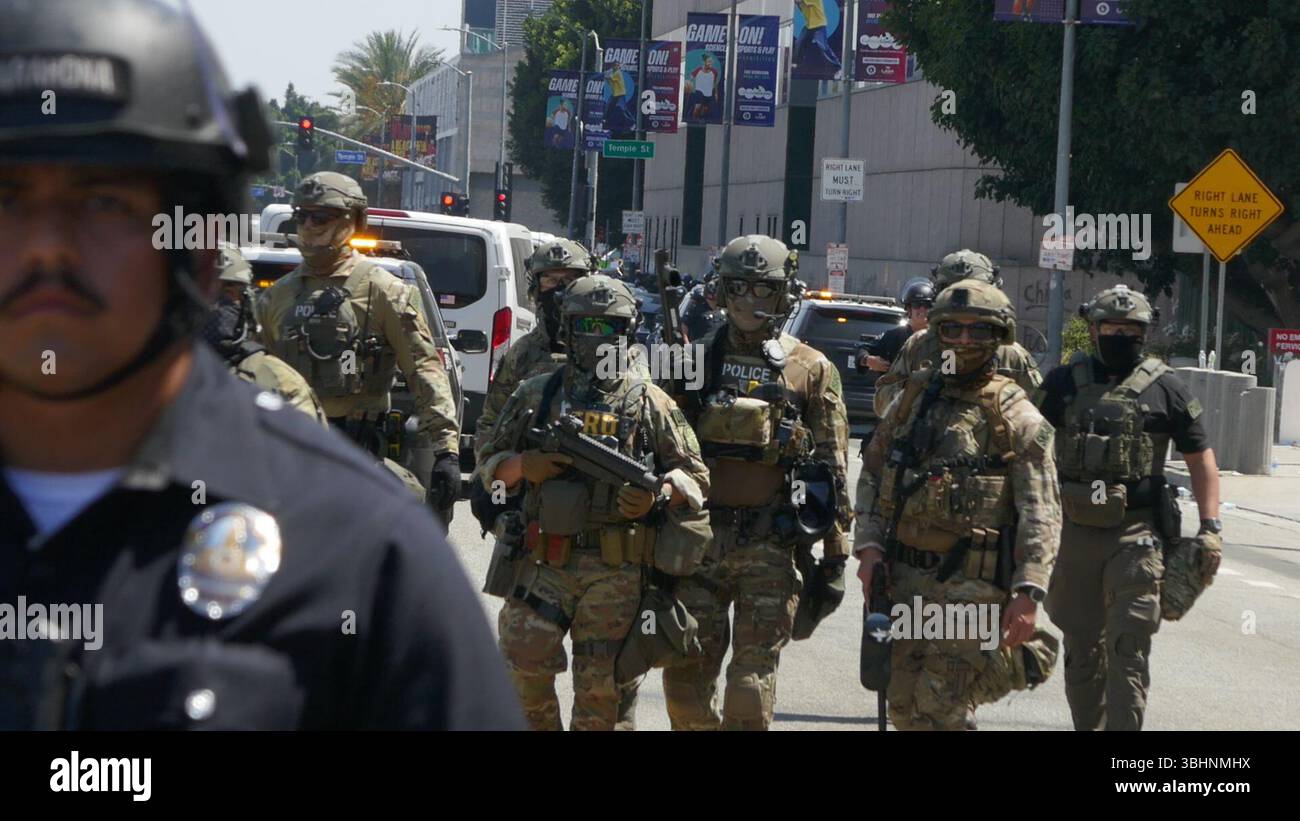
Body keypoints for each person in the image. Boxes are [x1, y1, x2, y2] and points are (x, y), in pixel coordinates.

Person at [0, 0, 522, 730]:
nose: (45, 248)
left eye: (104, 202)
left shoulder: (364, 554)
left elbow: (424, 368)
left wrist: (440, 445)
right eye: (7, 198)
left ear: (198, 241)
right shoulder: (283, 297)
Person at [477, 275, 711, 730]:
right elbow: (488, 465)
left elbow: (697, 478)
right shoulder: (538, 393)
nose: (599, 338)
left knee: (601, 696)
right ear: (566, 329)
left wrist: (656, 495)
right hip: (542, 562)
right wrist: (526, 464)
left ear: (628, 332)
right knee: (521, 674)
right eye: (587, 326)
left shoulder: (650, 402)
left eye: (611, 328)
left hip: (616, 572)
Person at [662, 235, 852, 730]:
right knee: (684, 689)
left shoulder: (811, 368)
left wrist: (835, 554)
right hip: (698, 542)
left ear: (784, 294)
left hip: (771, 546)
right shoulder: (690, 361)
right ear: (721, 291)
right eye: (739, 287)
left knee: (748, 690)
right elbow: (653, 447)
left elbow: (831, 467)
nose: (749, 300)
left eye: (763, 289)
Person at [853, 279, 1062, 731]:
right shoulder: (912, 399)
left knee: (940, 708)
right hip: (903, 578)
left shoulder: (1015, 415)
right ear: (937, 333)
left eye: (978, 332)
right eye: (953, 330)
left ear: (997, 338)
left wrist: (1028, 592)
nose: (964, 341)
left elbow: (1041, 510)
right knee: (904, 707)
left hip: (972, 586)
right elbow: (873, 473)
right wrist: (869, 549)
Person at [1034, 285, 1222, 731]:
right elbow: (1028, 450)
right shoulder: (1062, 383)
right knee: (1082, 650)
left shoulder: (1167, 389)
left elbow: (1201, 459)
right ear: (1094, 329)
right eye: (1111, 327)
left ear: (1144, 333)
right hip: (1073, 533)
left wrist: (1211, 526)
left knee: (1128, 645)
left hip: (1136, 535)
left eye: (1130, 329)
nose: (1120, 335)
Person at [256, 171, 461, 522]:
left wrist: (446, 452)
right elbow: (252, 376)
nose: (308, 226)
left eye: (320, 217)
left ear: (354, 220)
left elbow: (425, 369)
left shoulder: (386, 291)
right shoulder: (277, 297)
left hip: (357, 454)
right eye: (301, 216)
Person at [873, 249, 1041, 417]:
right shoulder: (920, 345)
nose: (964, 339)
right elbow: (882, 402)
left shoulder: (1009, 355)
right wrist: (917, 394)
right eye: (954, 293)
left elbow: (1040, 411)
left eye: (976, 294)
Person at [202, 244, 326, 424]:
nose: (214, 304)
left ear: (246, 303)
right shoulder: (152, 378)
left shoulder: (277, 381)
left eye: (228, 292)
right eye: (203, 291)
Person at [857, 279, 934, 374]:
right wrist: (868, 360)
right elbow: (863, 350)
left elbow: (951, 371)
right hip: (899, 388)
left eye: (927, 305)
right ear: (909, 309)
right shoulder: (894, 336)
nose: (922, 309)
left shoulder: (943, 337)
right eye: (917, 305)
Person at [794, 0, 842, 75]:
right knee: (799, 42)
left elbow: (798, 1)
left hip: (819, 25)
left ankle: (837, 66)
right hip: (809, 25)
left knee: (823, 46)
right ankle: (797, 62)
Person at [680, 275, 726, 343]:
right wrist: (688, 347)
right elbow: (684, 328)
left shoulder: (723, 310)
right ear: (711, 294)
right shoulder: (696, 308)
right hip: (699, 349)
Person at [688, 53, 720, 121]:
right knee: (697, 107)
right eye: (709, 61)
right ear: (704, 62)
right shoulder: (698, 69)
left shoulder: (714, 72)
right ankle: (694, 120)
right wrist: (690, 84)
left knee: (705, 109)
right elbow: (691, 78)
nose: (711, 63)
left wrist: (716, 93)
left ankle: (701, 119)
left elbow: (715, 84)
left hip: (708, 93)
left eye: (711, 61)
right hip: (699, 91)